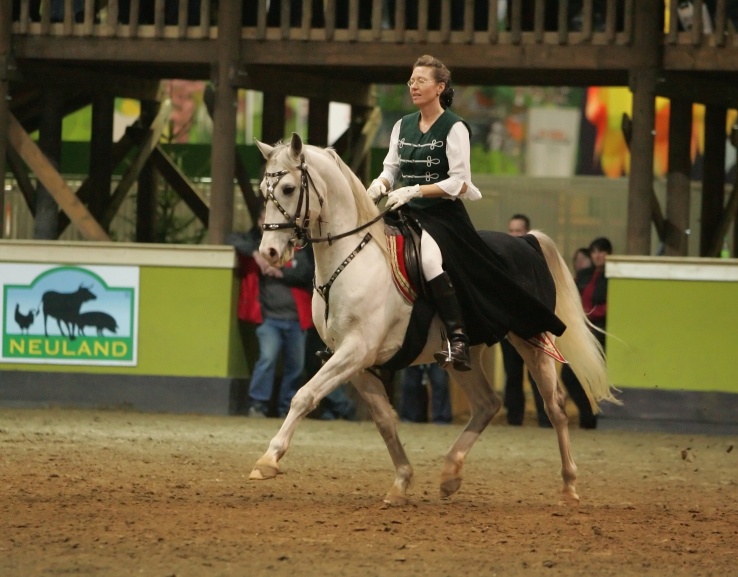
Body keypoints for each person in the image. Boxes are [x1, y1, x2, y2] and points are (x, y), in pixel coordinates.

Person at [368, 54, 566, 375]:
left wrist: (415, 190)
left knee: (430, 260)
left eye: (420, 81)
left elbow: (458, 183)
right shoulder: (401, 125)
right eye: (411, 81)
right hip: (402, 212)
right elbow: (391, 168)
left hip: (441, 217)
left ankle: (457, 336)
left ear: (439, 87)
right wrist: (377, 187)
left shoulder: (454, 127)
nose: (413, 86)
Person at [228, 207, 315, 418]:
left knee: (296, 367)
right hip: (270, 319)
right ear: (258, 221)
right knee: (266, 360)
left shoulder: (297, 244)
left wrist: (278, 271)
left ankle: (288, 407)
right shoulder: (256, 243)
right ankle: (258, 405)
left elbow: (304, 272)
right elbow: (232, 238)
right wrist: (257, 255)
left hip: (297, 319)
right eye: (263, 218)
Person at [559, 236, 612, 429]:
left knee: (583, 376)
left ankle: (591, 415)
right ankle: (588, 413)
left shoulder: (612, 277)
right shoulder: (584, 275)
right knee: (568, 376)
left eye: (602, 251)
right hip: (582, 330)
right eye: (595, 252)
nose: (598, 256)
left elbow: (613, 305)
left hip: (599, 331)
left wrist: (588, 315)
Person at [500, 214, 548, 427]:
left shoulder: (537, 259)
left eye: (518, 230)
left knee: (538, 374)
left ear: (527, 232)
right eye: (511, 230)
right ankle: (514, 419)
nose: (514, 235)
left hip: (532, 327)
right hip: (509, 327)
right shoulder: (502, 259)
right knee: (512, 375)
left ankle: (545, 419)